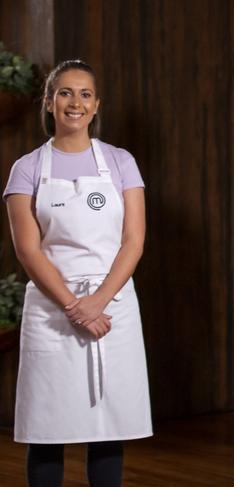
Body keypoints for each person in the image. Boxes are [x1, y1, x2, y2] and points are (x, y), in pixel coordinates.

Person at [4, 60, 152, 487]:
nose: (76, 102)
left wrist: (98, 302)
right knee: (47, 429)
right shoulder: (27, 168)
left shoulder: (121, 162)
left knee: (107, 428)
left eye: (85, 94)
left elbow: (134, 242)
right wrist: (74, 305)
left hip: (113, 308)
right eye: (66, 93)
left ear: (96, 105)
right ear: (50, 103)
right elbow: (27, 250)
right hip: (52, 312)